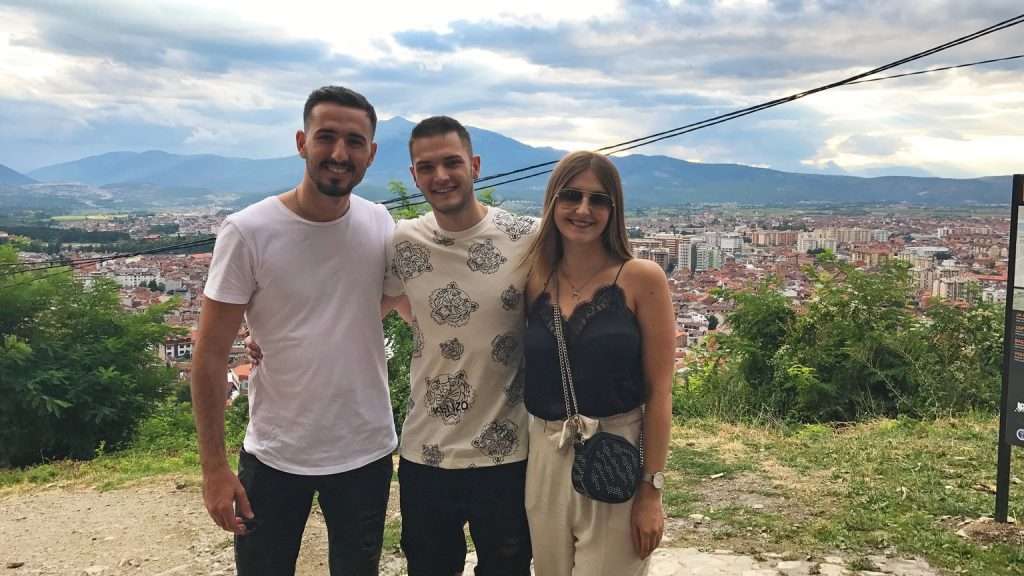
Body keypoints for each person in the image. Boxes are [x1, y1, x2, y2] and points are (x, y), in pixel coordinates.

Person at [191, 85, 403, 576]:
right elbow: (209, 354)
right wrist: (214, 469)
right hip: (275, 452)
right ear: (301, 142)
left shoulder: (379, 223)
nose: (339, 153)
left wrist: (306, 332)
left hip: (365, 448)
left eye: (354, 141)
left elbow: (384, 299)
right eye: (326, 137)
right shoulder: (248, 231)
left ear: (371, 153)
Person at [385, 116, 536, 575]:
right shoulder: (403, 241)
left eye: (452, 162)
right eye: (426, 167)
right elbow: (363, 306)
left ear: (475, 166)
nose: (441, 176)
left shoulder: (526, 236)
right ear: (414, 176)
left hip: (508, 452)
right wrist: (265, 337)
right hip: (426, 451)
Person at [521, 151, 674, 575]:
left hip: (616, 451)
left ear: (614, 210)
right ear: (553, 202)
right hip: (545, 455)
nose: (583, 209)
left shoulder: (642, 278)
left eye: (598, 200)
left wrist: (652, 490)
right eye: (572, 196)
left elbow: (660, 391)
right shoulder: (534, 278)